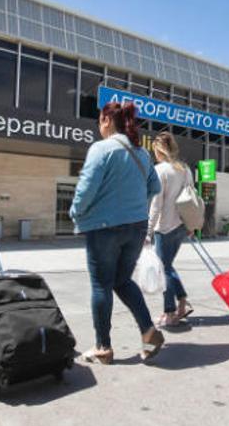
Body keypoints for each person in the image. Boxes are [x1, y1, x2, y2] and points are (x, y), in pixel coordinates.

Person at [70, 102, 165, 365]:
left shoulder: (102, 149)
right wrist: (132, 206)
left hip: (104, 228)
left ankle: (103, 346)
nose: (99, 127)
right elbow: (153, 187)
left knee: (101, 285)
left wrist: (76, 212)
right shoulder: (142, 154)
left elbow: (87, 188)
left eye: (100, 121)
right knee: (122, 281)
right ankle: (148, 331)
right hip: (135, 227)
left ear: (108, 121)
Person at [148, 131, 195, 327]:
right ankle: (182, 301)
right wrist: (191, 225)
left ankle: (169, 312)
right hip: (181, 227)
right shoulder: (185, 169)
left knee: (163, 270)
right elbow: (192, 199)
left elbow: (156, 204)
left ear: (159, 151)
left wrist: (148, 230)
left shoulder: (160, 171)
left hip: (165, 228)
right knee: (168, 266)